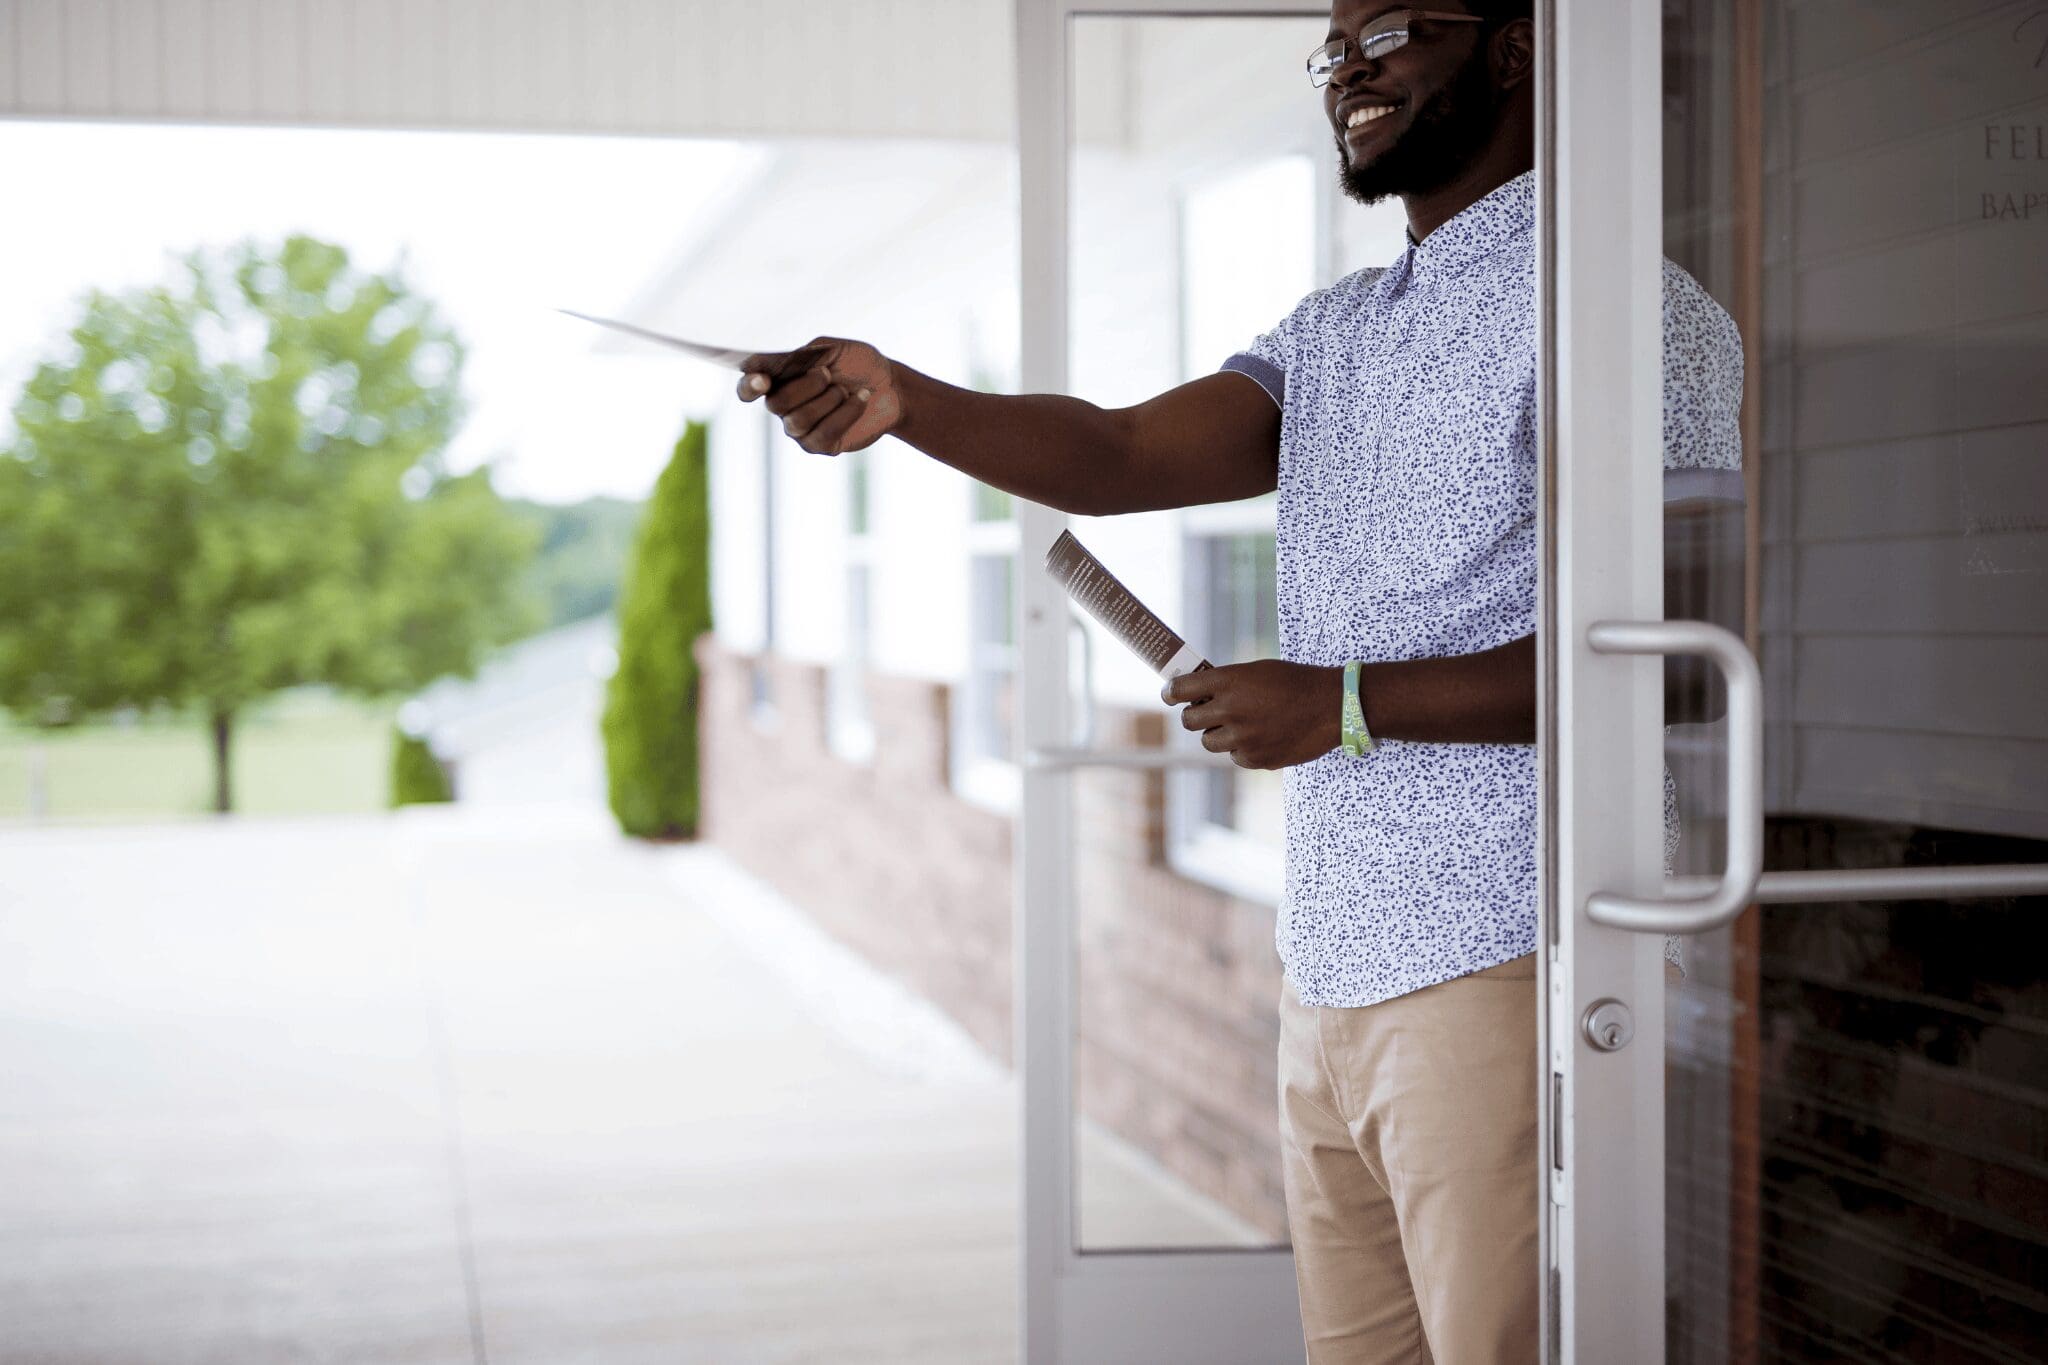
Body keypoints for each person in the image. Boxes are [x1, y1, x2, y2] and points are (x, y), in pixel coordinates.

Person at [736, 1, 1741, 1360]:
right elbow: (1117, 454)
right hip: (1326, 960)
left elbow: (1676, 649)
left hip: (1506, 956)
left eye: (1387, 31)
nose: (1352, 73)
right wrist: (906, 396)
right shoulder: (1336, 330)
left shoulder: (1630, 306)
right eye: (1333, 53)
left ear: (1516, 46)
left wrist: (1343, 703)